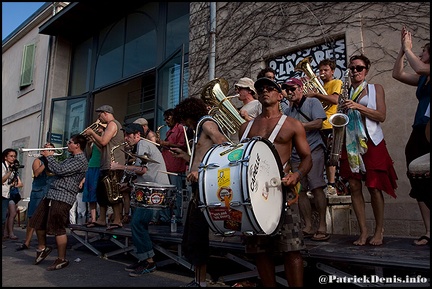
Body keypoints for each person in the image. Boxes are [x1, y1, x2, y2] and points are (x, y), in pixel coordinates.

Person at [238, 77, 312, 287]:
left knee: (292, 249)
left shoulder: (292, 124)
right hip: (254, 194)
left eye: (270, 88)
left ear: (281, 96)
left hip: (283, 191)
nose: (264, 91)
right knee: (260, 251)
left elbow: (307, 157)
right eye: (261, 89)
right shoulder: (245, 128)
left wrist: (296, 176)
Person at [339, 54, 398, 246]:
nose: (355, 71)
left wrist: (357, 106)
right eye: (352, 68)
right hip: (350, 142)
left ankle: (378, 230)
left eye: (359, 68)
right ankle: (363, 232)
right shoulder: (345, 92)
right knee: (354, 186)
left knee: (374, 187)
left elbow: (381, 115)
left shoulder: (375, 89)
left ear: (366, 69)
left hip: (371, 141)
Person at [171, 97, 229, 287]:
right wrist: (186, 157)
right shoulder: (197, 130)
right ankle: (198, 279)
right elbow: (201, 156)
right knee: (192, 235)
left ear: (190, 115)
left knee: (197, 235)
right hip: (198, 186)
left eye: (185, 120)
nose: (185, 124)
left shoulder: (206, 124)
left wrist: (201, 171)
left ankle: (201, 282)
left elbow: (224, 145)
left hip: (205, 187)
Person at [110, 123, 170, 277]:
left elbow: (143, 169)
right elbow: (143, 172)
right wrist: (128, 184)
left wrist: (120, 167)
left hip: (155, 191)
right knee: (137, 223)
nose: (126, 138)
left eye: (128, 135)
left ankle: (149, 262)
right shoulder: (141, 147)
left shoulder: (143, 143)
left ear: (137, 134)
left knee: (137, 223)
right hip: (149, 190)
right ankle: (143, 259)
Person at [392, 27, 430, 245]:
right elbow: (397, 74)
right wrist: (401, 50)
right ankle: (428, 230)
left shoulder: (425, 69)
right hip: (420, 128)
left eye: (424, 51)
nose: (421, 54)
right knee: (418, 177)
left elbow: (418, 66)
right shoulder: (423, 78)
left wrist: (408, 49)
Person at [29, 134, 88, 270]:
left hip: (63, 196)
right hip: (52, 193)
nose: (67, 144)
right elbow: (55, 170)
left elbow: (60, 170)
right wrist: (47, 159)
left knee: (58, 227)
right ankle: (42, 248)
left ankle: (62, 259)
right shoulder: (70, 158)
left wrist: (50, 156)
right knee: (37, 221)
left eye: (70, 142)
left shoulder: (80, 160)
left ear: (77, 145)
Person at [282, 77, 330, 241]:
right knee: (300, 189)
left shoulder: (312, 102)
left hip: (314, 149)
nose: (290, 92)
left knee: (317, 186)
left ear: (301, 88)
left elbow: (318, 124)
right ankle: (308, 225)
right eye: (287, 89)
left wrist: (297, 127)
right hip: (296, 153)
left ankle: (322, 226)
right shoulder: (288, 111)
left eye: (293, 88)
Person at [83, 105, 126, 230]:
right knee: (101, 192)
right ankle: (101, 219)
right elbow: (102, 146)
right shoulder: (110, 125)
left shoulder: (112, 124)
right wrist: (92, 138)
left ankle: (117, 219)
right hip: (105, 164)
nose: (98, 118)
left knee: (113, 193)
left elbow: (103, 141)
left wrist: (92, 132)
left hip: (113, 165)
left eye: (100, 114)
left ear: (106, 113)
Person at [306, 59, 343, 196]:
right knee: (317, 156)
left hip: (329, 124)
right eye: (320, 70)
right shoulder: (319, 87)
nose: (322, 73)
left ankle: (332, 185)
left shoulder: (336, 82)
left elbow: (334, 100)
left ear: (332, 71)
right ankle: (317, 185)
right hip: (318, 125)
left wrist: (315, 94)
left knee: (330, 156)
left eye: (326, 70)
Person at [16, 143, 56, 251]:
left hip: (49, 191)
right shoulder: (38, 160)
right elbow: (37, 173)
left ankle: (43, 243)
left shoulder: (55, 161)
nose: (48, 150)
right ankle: (27, 242)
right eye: (46, 148)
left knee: (45, 218)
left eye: (50, 149)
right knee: (32, 216)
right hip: (38, 192)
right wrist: (47, 161)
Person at [158, 108, 188, 222]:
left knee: (176, 193)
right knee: (168, 193)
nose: (166, 121)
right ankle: (166, 217)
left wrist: (166, 143)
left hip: (176, 167)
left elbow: (182, 146)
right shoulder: (169, 131)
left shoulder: (180, 129)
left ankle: (177, 217)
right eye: (165, 119)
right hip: (168, 166)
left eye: (168, 118)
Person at [82, 124, 105, 227]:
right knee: (90, 193)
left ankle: (100, 218)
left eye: (100, 127)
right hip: (91, 166)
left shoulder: (103, 138)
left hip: (99, 167)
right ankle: (93, 218)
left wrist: (94, 137)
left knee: (97, 193)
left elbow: (103, 150)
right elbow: (89, 154)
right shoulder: (95, 139)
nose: (98, 128)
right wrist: (88, 143)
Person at [2, 149, 21, 246]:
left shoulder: (12, 168)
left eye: (14, 156)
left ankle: (6, 234)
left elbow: (13, 183)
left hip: (7, 194)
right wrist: (9, 172)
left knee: (4, 216)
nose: (13, 158)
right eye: (11, 156)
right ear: (5, 157)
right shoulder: (3, 166)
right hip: (3, 194)